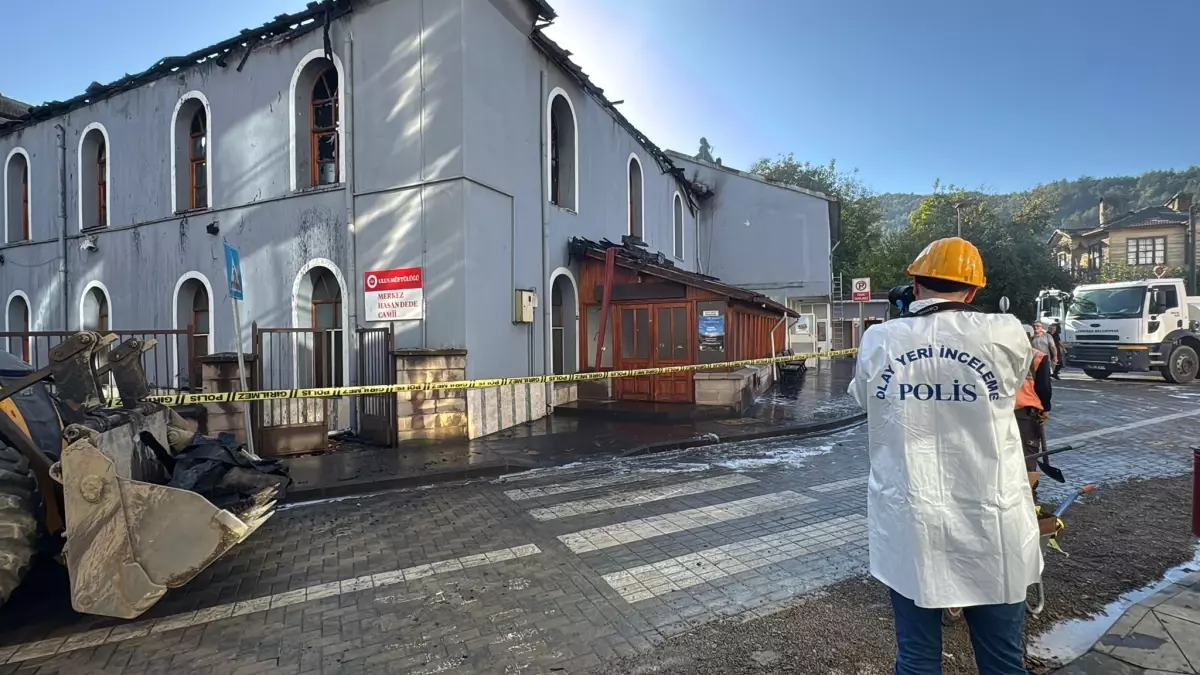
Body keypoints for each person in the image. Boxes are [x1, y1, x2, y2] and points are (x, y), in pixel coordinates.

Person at [850, 237, 1040, 675]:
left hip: (912, 525)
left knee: (917, 659)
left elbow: (864, 397)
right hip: (991, 522)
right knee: (1003, 662)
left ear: (914, 286)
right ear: (973, 292)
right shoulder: (1007, 333)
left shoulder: (879, 340)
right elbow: (1011, 389)